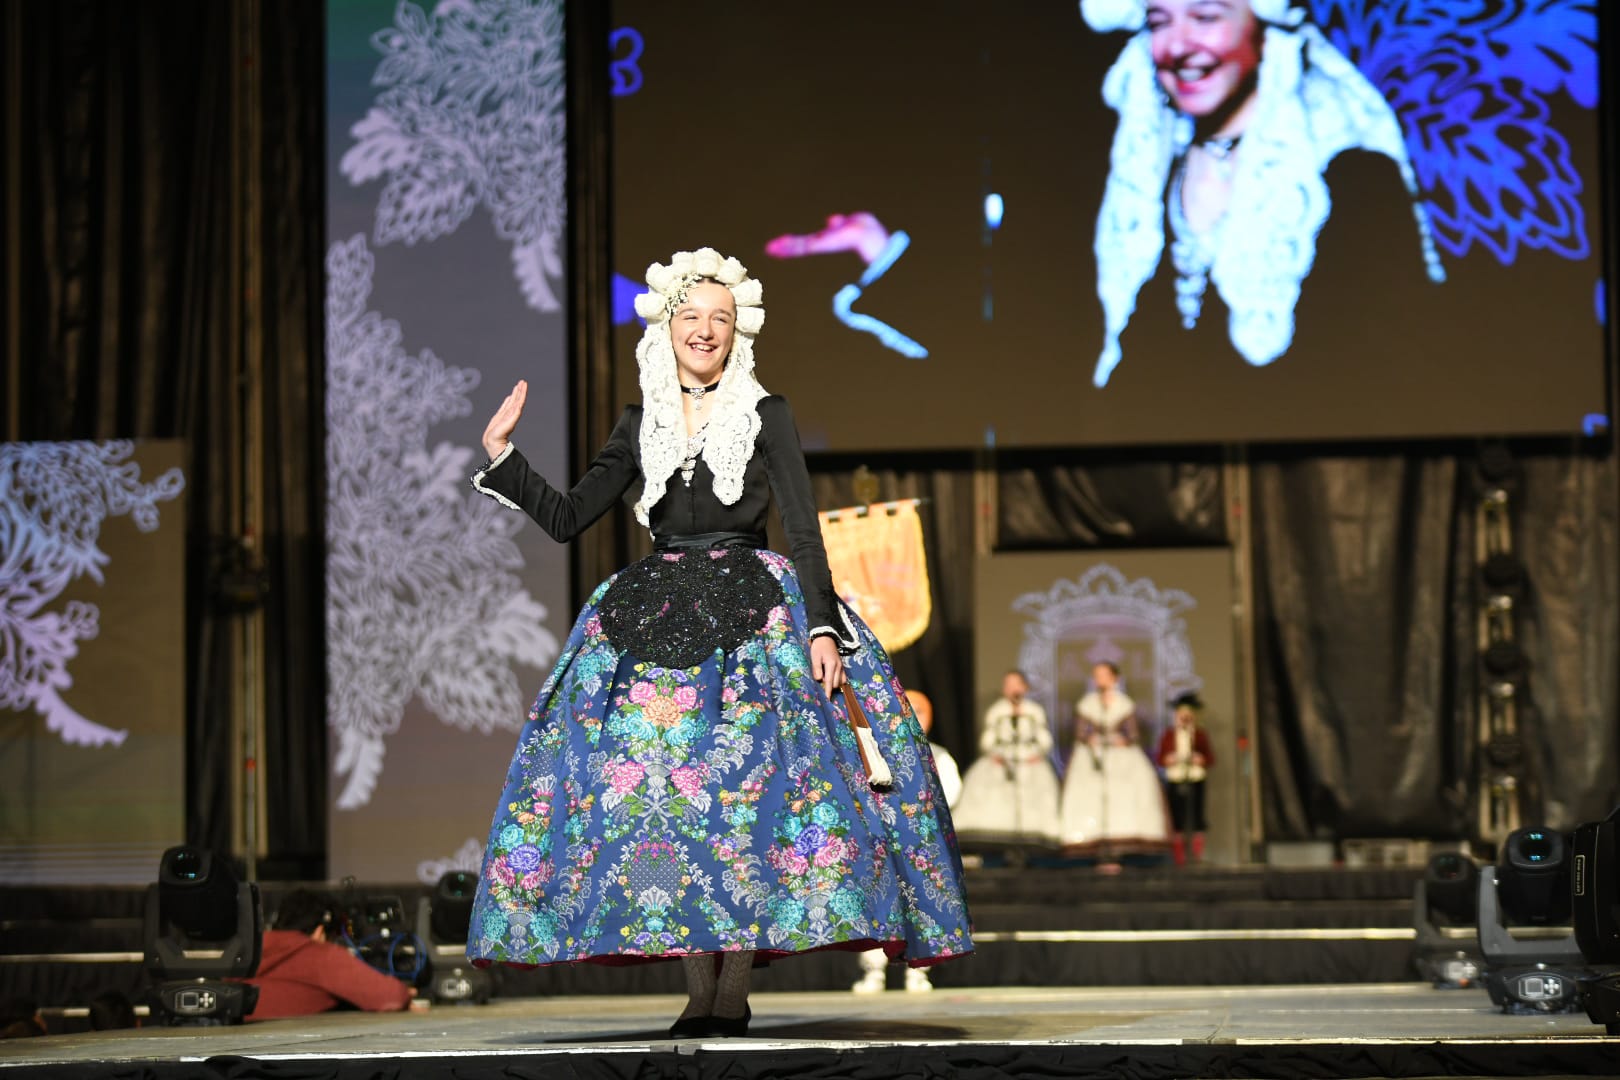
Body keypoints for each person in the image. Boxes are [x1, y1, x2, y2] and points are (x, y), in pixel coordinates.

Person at [465, 248, 972, 1039]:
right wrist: (504, 457)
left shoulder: (766, 414)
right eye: (691, 317)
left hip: (756, 618)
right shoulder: (640, 424)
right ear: (666, 329)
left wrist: (821, 626)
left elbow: (803, 529)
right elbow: (568, 517)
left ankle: (731, 991)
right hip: (652, 619)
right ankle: (699, 991)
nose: (705, 330)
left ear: (739, 333)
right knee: (662, 806)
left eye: (720, 319)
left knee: (747, 806)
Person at [1082, 0, 1445, 387]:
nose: (1178, 45)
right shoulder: (1146, 175)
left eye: (1206, 17)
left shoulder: (1352, 173)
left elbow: (1396, 362)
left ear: (1262, 27)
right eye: (1159, 22)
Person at [852, 689, 961, 994]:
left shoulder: (937, 756)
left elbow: (948, 796)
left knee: (921, 905)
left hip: (922, 843)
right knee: (878, 905)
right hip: (882, 843)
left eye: (921, 711)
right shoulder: (875, 753)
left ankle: (919, 970)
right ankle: (873, 971)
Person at [1058, 662, 1170, 865]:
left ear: (1114, 678)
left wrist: (1123, 740)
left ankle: (1119, 847)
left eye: (1103, 675)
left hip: (1120, 756)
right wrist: (1089, 738)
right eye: (1096, 675)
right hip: (1093, 755)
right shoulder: (1088, 703)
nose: (1099, 679)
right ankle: (1096, 846)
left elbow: (1133, 734)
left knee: (1124, 797)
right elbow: (1081, 732)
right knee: (1091, 795)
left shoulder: (1124, 703)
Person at [241, 889, 413, 1021]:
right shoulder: (316, 954)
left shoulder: (246, 951)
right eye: (335, 937)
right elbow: (390, 997)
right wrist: (407, 993)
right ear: (320, 932)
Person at [951, 671, 1062, 849]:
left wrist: (1037, 753)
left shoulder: (1034, 711)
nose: (1011, 689)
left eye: (1015, 684)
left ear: (1024, 687)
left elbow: (1044, 739)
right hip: (1002, 759)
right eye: (1007, 685)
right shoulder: (997, 711)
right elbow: (987, 740)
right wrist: (995, 754)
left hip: (1028, 759)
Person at [1157, 691, 1215, 865]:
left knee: (1197, 817)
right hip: (1175, 779)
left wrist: (1200, 759)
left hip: (1195, 778)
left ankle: (1196, 856)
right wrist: (1169, 759)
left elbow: (1210, 758)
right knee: (1177, 819)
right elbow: (1160, 758)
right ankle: (1179, 858)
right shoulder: (1169, 735)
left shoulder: (1199, 735)